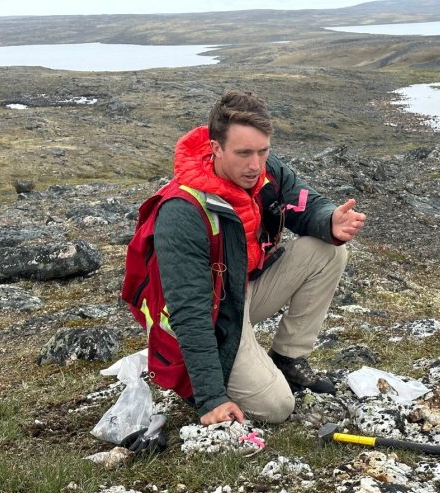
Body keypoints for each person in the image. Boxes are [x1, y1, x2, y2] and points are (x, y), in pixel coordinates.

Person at [146, 90, 365, 426]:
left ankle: (287, 358)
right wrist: (210, 398)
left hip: (242, 292)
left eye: (263, 151)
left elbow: (304, 202)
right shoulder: (182, 211)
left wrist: (329, 220)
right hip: (213, 314)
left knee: (327, 250)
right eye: (244, 153)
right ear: (215, 147)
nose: (255, 165)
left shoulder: (266, 172)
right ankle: (204, 377)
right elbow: (189, 311)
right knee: (277, 407)